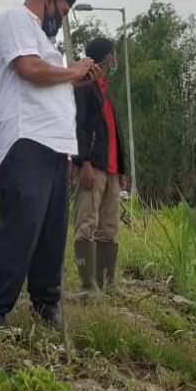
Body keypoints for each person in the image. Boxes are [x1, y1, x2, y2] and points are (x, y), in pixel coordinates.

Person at [0, 0, 95, 329]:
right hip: (26, 138)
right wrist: (73, 72)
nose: (62, 19)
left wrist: (74, 79)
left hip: (55, 144)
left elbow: (46, 77)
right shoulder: (15, 19)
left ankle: (46, 301)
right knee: (22, 226)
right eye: (64, 11)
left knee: (51, 231)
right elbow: (28, 68)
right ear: (50, 1)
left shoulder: (45, 41)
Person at [73, 37, 128, 293]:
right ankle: (87, 285)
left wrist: (122, 170)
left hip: (111, 170)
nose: (115, 63)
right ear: (108, 58)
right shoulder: (84, 88)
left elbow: (115, 134)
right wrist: (82, 161)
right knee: (87, 223)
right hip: (92, 167)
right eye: (114, 57)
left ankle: (107, 283)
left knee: (109, 226)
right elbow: (79, 126)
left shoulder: (105, 92)